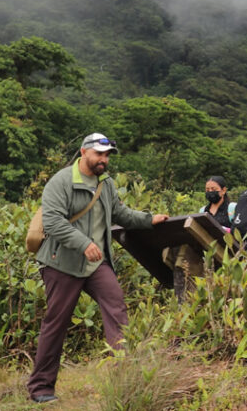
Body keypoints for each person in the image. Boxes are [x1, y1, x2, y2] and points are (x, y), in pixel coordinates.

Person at [27, 133, 168, 404]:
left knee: (117, 308)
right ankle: (41, 388)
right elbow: (53, 221)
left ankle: (123, 378)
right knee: (57, 323)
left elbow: (121, 214)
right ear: (84, 152)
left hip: (95, 264)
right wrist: (82, 243)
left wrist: (150, 219)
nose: (103, 160)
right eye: (99, 154)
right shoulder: (62, 181)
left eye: (107, 155)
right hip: (61, 262)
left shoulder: (106, 183)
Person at [166, 175, 231, 300]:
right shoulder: (203, 210)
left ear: (223, 190)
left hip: (224, 251)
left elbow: (238, 229)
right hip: (206, 251)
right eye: (207, 190)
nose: (210, 192)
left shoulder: (232, 208)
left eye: (214, 189)